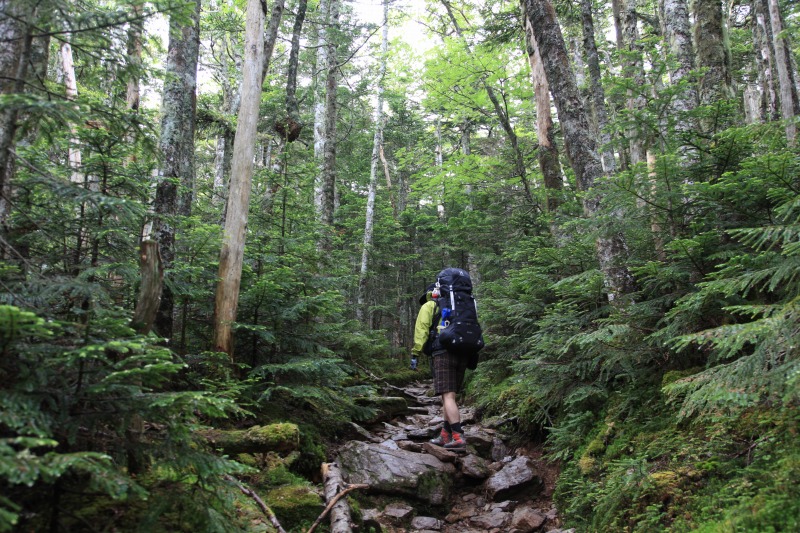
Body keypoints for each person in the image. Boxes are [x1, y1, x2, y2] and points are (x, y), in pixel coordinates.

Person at [411, 282, 468, 450]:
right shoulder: (461, 305)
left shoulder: (430, 305)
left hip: (442, 352)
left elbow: (421, 330)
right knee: (449, 395)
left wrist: (416, 352)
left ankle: (458, 436)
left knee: (448, 396)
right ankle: (445, 434)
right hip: (463, 351)